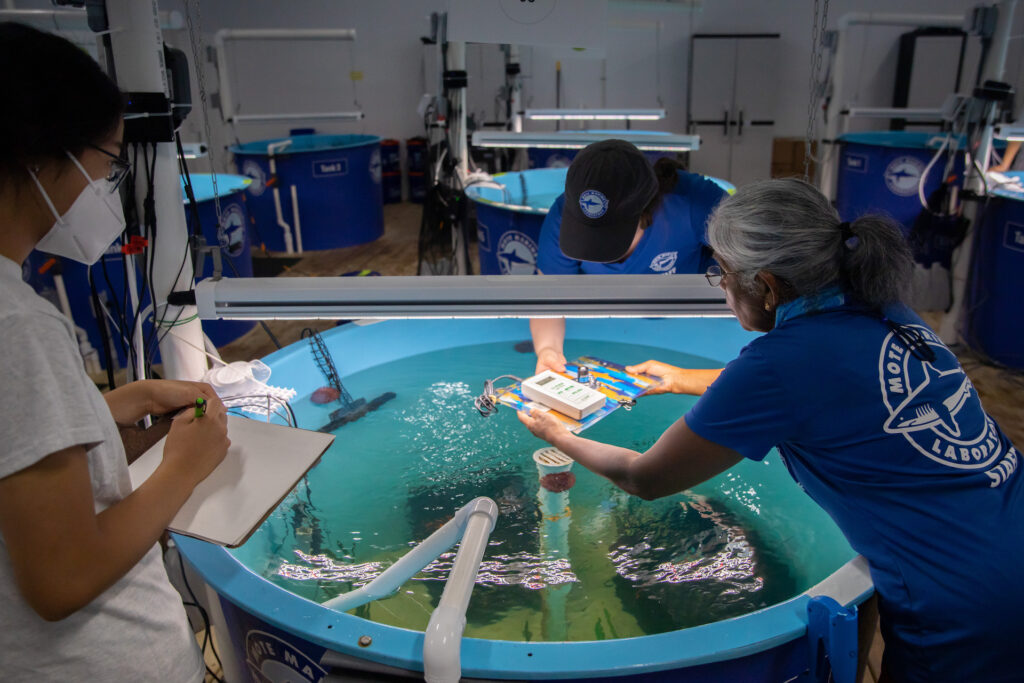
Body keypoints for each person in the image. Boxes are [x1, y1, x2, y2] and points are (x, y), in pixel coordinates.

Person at [518, 177, 1023, 683]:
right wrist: (680, 379)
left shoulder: (778, 364)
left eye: (722, 273)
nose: (722, 286)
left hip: (965, 600)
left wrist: (559, 435)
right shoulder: (886, 310)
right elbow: (818, 383)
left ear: (768, 286)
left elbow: (644, 478)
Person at [0, 23, 230, 682]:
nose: (109, 182)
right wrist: (182, 467)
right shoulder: (19, 327)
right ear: (41, 156)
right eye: (109, 161)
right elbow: (62, 577)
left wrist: (101, 414)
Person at [530, 139, 727, 375]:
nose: (596, 247)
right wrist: (548, 349)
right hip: (606, 329)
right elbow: (549, 297)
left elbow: (753, 263)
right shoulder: (562, 215)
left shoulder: (696, 202)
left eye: (607, 233)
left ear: (646, 207)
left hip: (696, 327)